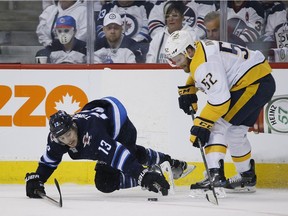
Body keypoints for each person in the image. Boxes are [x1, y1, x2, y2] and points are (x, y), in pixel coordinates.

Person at [164, 30, 276, 192]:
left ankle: (214, 175)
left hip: (252, 84)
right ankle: (247, 176)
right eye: (173, 61)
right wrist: (190, 87)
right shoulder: (199, 48)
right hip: (260, 81)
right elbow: (203, 69)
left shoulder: (203, 64)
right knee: (236, 132)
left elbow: (220, 101)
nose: (178, 65)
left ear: (189, 51)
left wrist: (201, 124)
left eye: (179, 60)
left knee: (215, 125)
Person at [25, 96, 195, 198]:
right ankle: (164, 164)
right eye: (62, 138)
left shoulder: (92, 133)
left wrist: (142, 175)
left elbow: (117, 154)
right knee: (107, 181)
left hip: (121, 129)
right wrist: (38, 179)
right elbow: (49, 161)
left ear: (74, 126)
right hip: (104, 121)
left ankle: (164, 165)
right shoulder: (57, 139)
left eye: (68, 134)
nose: (67, 140)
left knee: (108, 179)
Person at [148, 0, 216, 40]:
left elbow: (203, 29)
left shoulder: (205, 2)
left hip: (194, 45)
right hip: (166, 43)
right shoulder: (163, 2)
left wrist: (183, 40)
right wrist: (170, 39)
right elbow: (154, 26)